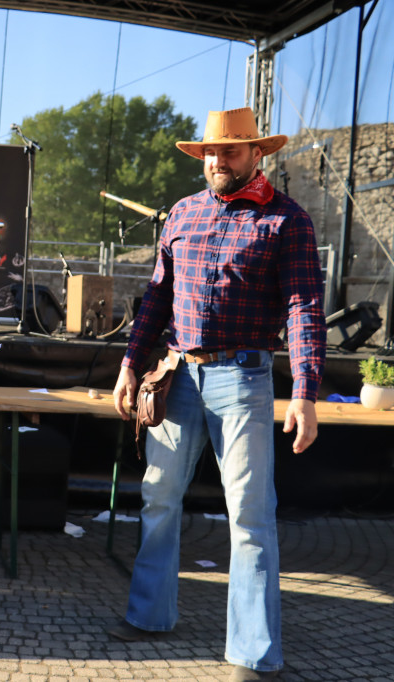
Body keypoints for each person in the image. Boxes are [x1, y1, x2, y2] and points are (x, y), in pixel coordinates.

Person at [108, 108, 326, 681]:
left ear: (258, 154)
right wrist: (131, 363)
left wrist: (304, 392)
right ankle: (149, 617)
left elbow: (305, 309)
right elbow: (156, 298)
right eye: (209, 151)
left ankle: (253, 654)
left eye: (229, 151)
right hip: (176, 375)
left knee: (250, 519)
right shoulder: (182, 213)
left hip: (244, 380)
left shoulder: (288, 222)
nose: (216, 160)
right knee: (158, 498)